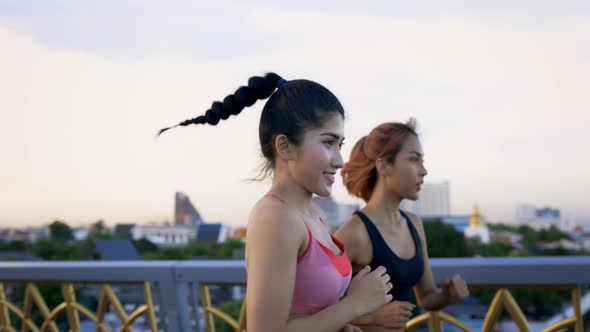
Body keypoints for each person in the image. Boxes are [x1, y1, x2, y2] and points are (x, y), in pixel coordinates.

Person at [158, 73, 392, 332]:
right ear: (285, 146)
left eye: (340, 144)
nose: (339, 160)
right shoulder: (275, 217)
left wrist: (343, 324)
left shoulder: (315, 216)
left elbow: (307, 313)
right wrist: (354, 305)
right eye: (328, 142)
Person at [336, 120, 469, 331]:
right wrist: (373, 318)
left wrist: (447, 296)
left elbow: (426, 298)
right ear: (384, 166)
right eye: (414, 159)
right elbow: (313, 313)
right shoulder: (355, 233)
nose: (423, 171)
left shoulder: (414, 224)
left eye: (422, 161)